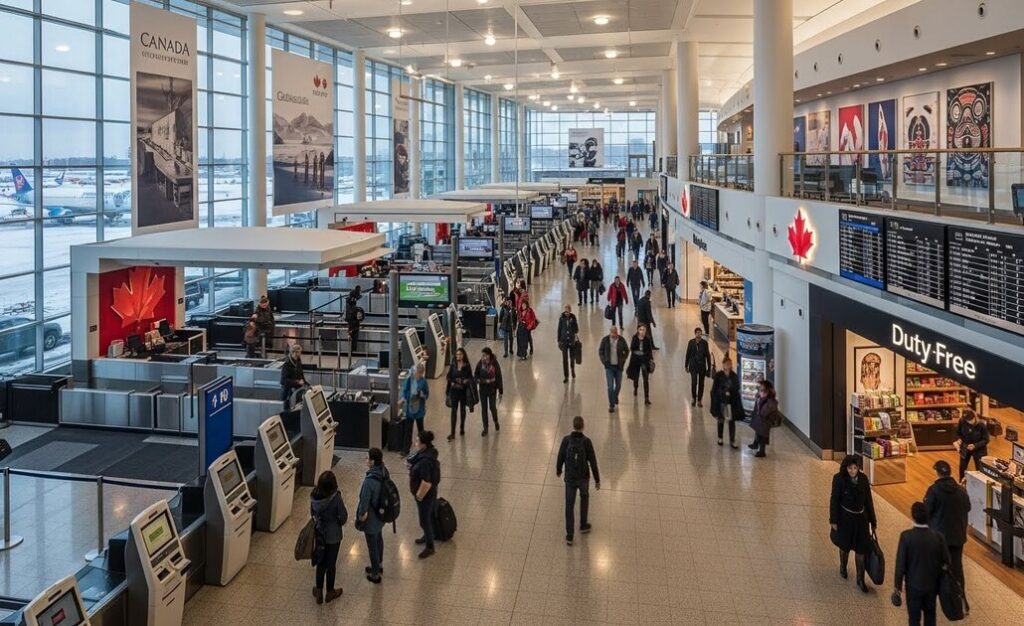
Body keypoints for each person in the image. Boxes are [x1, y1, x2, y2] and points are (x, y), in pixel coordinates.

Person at [894, 502, 951, 626]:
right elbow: (947, 561)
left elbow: (900, 565)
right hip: (931, 586)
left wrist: (897, 587)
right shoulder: (938, 537)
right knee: (930, 617)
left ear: (913, 516)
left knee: (914, 619)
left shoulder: (907, 537)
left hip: (913, 586)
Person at [829, 455, 878, 594]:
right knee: (844, 546)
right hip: (845, 519)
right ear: (845, 468)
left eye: (855, 468)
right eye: (850, 468)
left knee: (861, 549)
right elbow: (834, 500)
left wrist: (873, 521)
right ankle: (843, 566)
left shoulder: (863, 480)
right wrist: (833, 520)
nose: (852, 471)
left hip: (861, 519)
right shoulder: (838, 479)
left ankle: (860, 579)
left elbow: (868, 501)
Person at [924, 460, 971, 601]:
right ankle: (959, 594)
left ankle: (935, 592)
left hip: (939, 536)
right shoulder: (962, 491)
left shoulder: (934, 490)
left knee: (935, 564)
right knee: (957, 566)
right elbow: (968, 507)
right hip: (957, 535)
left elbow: (927, 511)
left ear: (937, 473)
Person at [555, 416, 600, 546]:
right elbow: (593, 462)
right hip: (583, 478)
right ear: (583, 426)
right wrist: (597, 479)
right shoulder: (587, 442)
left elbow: (560, 456)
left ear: (573, 425)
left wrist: (558, 470)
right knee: (584, 497)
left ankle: (570, 536)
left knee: (569, 505)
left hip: (570, 478)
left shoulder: (566, 440)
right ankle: (583, 524)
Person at [310, 470, 348, 604]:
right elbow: (343, 517)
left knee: (320, 562)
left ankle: (319, 591)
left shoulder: (314, 495)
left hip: (320, 533)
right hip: (333, 535)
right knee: (331, 564)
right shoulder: (336, 498)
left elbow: (312, 513)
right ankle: (330, 591)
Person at [356, 448, 387, 584]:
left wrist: (361, 516)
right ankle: (379, 564)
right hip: (381, 514)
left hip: (371, 518)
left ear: (373, 461)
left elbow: (364, 501)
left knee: (372, 545)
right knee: (379, 538)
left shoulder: (369, 481)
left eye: (367, 458)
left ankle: (375, 574)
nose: (366, 460)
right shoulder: (384, 471)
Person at [407, 431, 439, 559]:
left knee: (424, 520)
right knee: (428, 517)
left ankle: (430, 546)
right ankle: (427, 535)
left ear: (424, 444)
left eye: (417, 441)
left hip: (425, 495)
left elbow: (426, 482)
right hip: (428, 494)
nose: (416, 443)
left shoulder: (425, 461)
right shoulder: (428, 453)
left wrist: (419, 496)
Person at [710, 356, 744, 448]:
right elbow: (714, 389)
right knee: (721, 419)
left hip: (731, 402)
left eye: (729, 364)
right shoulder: (718, 375)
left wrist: (732, 392)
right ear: (723, 365)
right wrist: (722, 392)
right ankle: (720, 437)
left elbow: (737, 388)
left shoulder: (734, 376)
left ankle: (732, 440)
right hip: (721, 401)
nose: (728, 366)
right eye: (726, 364)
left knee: (731, 421)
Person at [399, 362, 429, 455]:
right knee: (408, 429)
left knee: (421, 430)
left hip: (419, 408)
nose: (417, 374)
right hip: (410, 408)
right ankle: (405, 449)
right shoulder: (410, 379)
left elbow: (427, 394)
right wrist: (406, 397)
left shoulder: (423, 382)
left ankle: (423, 448)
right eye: (416, 372)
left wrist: (422, 395)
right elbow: (405, 390)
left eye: (419, 373)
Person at [598, 325, 630, 412]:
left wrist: (623, 360)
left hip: (619, 367)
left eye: (615, 332)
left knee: (618, 384)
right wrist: (604, 361)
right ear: (610, 332)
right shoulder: (605, 340)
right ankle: (611, 405)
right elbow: (600, 351)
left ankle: (615, 396)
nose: (614, 334)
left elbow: (627, 350)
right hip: (609, 367)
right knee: (610, 386)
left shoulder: (621, 340)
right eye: (612, 332)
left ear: (617, 332)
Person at [445, 348, 473, 441]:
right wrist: (455, 380)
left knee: (462, 410)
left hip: (463, 391)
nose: (458, 356)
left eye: (460, 354)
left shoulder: (467, 365)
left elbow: (470, 378)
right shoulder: (453, 365)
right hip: (454, 391)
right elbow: (448, 376)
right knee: (453, 411)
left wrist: (464, 381)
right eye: (457, 354)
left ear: (463, 355)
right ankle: (452, 432)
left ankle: (462, 427)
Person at [474, 347, 503, 435]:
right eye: (482, 355)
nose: (483, 357)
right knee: (484, 409)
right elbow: (475, 376)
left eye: (485, 355)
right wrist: (482, 381)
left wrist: (500, 390)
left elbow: (499, 376)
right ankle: (485, 428)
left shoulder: (494, 364)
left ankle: (496, 421)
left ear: (489, 355)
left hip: (492, 389)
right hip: (482, 390)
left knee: (492, 407)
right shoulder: (480, 364)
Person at [954, 408, 989, 481]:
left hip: (979, 449)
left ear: (974, 417)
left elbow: (986, 439)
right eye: (967, 421)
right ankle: (962, 483)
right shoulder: (962, 421)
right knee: (962, 467)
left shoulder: (981, 424)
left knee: (980, 469)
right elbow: (957, 433)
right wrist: (958, 439)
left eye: (970, 421)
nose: (969, 423)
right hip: (965, 446)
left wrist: (975, 445)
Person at [749, 380, 779, 457]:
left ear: (768, 392)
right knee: (758, 432)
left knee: (763, 435)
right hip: (761, 420)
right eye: (760, 390)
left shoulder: (770, 401)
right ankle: (755, 444)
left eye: (763, 391)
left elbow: (765, 411)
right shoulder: (761, 398)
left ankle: (762, 451)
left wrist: (760, 413)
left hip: (766, 420)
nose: (760, 392)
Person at [626, 324, 654, 405]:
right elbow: (632, 348)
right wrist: (638, 342)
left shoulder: (647, 339)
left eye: (643, 330)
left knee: (645, 378)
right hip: (635, 360)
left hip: (644, 360)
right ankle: (635, 388)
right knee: (636, 377)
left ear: (645, 331)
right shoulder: (634, 338)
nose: (642, 331)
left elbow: (649, 350)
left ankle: (646, 398)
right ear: (638, 330)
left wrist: (650, 358)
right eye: (640, 329)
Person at [684, 327, 712, 407]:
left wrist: (709, 368)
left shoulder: (704, 343)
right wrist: (686, 365)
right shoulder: (691, 342)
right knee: (694, 383)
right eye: (697, 332)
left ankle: (699, 400)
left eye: (700, 332)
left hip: (702, 366)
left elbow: (708, 356)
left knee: (701, 384)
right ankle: (693, 398)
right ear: (695, 333)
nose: (699, 334)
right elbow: (688, 354)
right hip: (693, 366)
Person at [557, 304, 580, 382]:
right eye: (565, 310)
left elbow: (576, 329)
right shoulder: (561, 318)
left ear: (570, 310)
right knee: (564, 359)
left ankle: (572, 369)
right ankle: (566, 376)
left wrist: (573, 329)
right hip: (564, 341)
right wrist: (558, 340)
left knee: (572, 357)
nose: (566, 312)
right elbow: (559, 329)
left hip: (571, 340)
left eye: (568, 310)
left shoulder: (573, 318)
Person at [280, 344, 306, 411]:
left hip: (296, 392)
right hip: (288, 394)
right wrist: (297, 382)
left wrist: (306, 383)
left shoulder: (298, 361)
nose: (301, 354)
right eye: (300, 352)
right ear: (295, 353)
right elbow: (283, 381)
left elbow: (301, 374)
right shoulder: (287, 364)